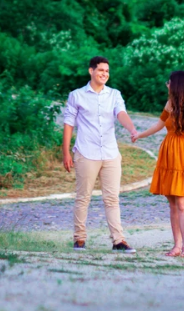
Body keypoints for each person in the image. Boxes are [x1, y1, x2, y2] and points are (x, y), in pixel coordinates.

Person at [63, 56, 138, 253]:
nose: (104, 74)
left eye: (107, 71)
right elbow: (68, 124)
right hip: (86, 153)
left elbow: (121, 114)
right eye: (101, 70)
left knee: (112, 199)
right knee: (83, 197)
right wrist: (66, 153)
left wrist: (132, 129)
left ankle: (118, 241)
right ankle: (79, 239)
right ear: (91, 71)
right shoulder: (77, 95)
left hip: (110, 153)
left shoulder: (114, 94)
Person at [132, 70, 184, 258]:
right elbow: (159, 125)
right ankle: (177, 246)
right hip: (168, 154)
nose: (167, 85)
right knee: (172, 204)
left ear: (177, 84)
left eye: (169, 82)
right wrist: (139, 135)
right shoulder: (170, 104)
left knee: (182, 203)